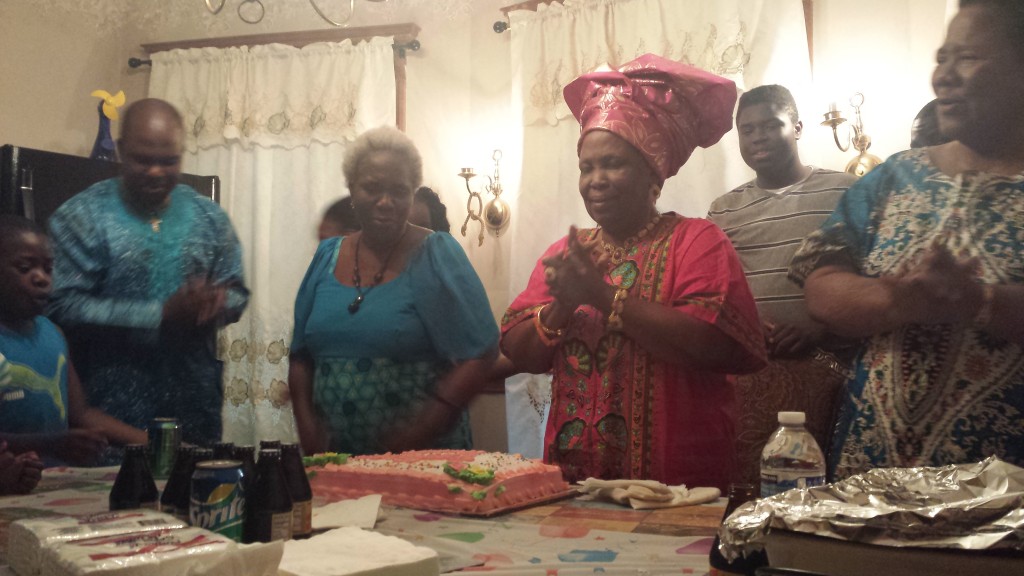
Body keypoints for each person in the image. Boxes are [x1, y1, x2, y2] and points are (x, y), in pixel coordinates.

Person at [501, 54, 766, 490]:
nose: (596, 179)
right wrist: (561, 307)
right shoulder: (568, 252)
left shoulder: (696, 241)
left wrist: (602, 296)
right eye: (587, 167)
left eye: (613, 164)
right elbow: (519, 350)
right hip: (575, 486)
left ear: (653, 176)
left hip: (677, 486)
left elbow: (718, 344)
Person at [790, 0, 1024, 479]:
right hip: (871, 477)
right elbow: (821, 286)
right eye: (942, 58)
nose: (945, 76)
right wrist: (896, 299)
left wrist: (979, 301)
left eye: (969, 57)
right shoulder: (894, 176)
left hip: (1004, 498)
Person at [47, 98, 249, 447]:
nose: (156, 171)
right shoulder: (81, 216)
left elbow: (237, 292)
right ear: (121, 151)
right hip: (109, 419)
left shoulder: (209, 217)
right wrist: (159, 315)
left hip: (194, 410)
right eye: (144, 160)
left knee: (197, 496)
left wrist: (215, 303)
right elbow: (58, 306)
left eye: (168, 161)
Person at [289, 126, 499, 455]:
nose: (386, 202)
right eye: (372, 188)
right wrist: (307, 430)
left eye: (399, 190)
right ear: (351, 189)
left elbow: (482, 353)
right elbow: (299, 358)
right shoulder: (325, 256)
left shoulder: (437, 254)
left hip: (423, 457)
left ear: (413, 192)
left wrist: (423, 427)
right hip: (337, 461)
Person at [706, 84, 858, 483]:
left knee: (825, 486)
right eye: (747, 129)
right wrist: (748, 328)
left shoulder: (845, 191)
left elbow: (867, 276)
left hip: (834, 369)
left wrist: (818, 326)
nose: (758, 137)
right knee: (751, 484)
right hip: (753, 374)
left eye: (771, 125)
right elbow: (715, 292)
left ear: (798, 127)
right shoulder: (723, 209)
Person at [0, 216, 148, 468]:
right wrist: (52, 443)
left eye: (48, 268)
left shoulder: (53, 334)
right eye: (25, 268)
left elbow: (82, 414)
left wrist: (153, 441)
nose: (41, 279)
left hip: (54, 484)